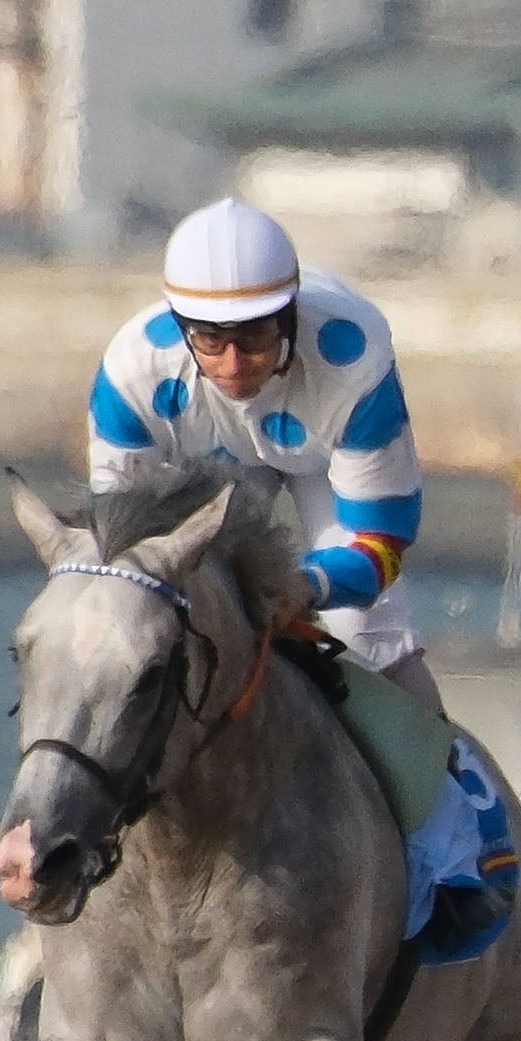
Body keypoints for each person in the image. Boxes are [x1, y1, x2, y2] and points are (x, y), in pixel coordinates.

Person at [89, 196, 438, 710]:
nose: (233, 365)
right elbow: (118, 546)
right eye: (209, 339)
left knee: (364, 627)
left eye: (253, 337)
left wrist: (309, 588)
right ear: (182, 328)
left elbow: (381, 543)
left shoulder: (355, 366)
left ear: (290, 319)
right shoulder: (131, 374)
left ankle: (451, 777)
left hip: (325, 457)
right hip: (211, 458)